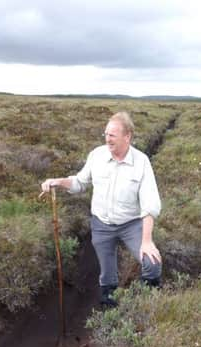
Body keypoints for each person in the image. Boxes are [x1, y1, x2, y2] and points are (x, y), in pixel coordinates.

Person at [41, 112, 162, 307]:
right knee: (107, 273)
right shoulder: (97, 156)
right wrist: (58, 182)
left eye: (113, 135)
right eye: (106, 134)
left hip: (131, 224)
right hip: (101, 225)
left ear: (127, 136)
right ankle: (109, 307)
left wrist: (146, 241)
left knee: (152, 264)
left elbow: (150, 204)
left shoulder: (141, 162)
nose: (107, 139)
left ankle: (149, 305)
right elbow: (79, 183)